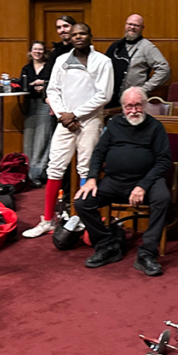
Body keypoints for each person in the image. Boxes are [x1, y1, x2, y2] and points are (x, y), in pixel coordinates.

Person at [23, 22, 113, 238]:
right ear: (69, 38)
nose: (78, 37)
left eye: (83, 33)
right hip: (65, 121)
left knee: (85, 169)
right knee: (55, 167)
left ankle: (82, 219)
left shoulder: (103, 61)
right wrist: (65, 114)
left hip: (90, 121)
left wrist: (76, 114)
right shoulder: (62, 60)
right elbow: (52, 90)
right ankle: (47, 220)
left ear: (90, 36)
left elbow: (104, 95)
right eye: (75, 34)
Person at [73, 87, 172, 276]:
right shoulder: (114, 124)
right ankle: (107, 245)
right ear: (123, 108)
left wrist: (142, 185)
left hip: (146, 181)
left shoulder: (155, 127)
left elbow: (163, 161)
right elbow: (98, 153)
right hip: (114, 181)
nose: (133, 110)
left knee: (163, 198)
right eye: (129, 106)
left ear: (144, 105)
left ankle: (147, 253)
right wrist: (92, 178)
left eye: (137, 105)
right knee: (82, 202)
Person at [105, 14, 171, 108]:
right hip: (112, 101)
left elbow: (164, 69)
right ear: (125, 25)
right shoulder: (116, 46)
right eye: (130, 24)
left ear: (142, 28)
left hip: (135, 101)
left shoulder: (147, 47)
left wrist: (144, 89)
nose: (132, 27)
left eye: (136, 25)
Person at [19, 40, 56, 186]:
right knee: (29, 139)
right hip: (30, 105)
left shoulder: (49, 67)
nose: (38, 52)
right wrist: (32, 85)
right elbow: (21, 85)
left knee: (43, 139)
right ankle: (27, 174)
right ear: (30, 52)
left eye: (40, 49)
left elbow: (53, 83)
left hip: (44, 104)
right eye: (35, 49)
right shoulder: (26, 68)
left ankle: (38, 173)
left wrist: (44, 85)